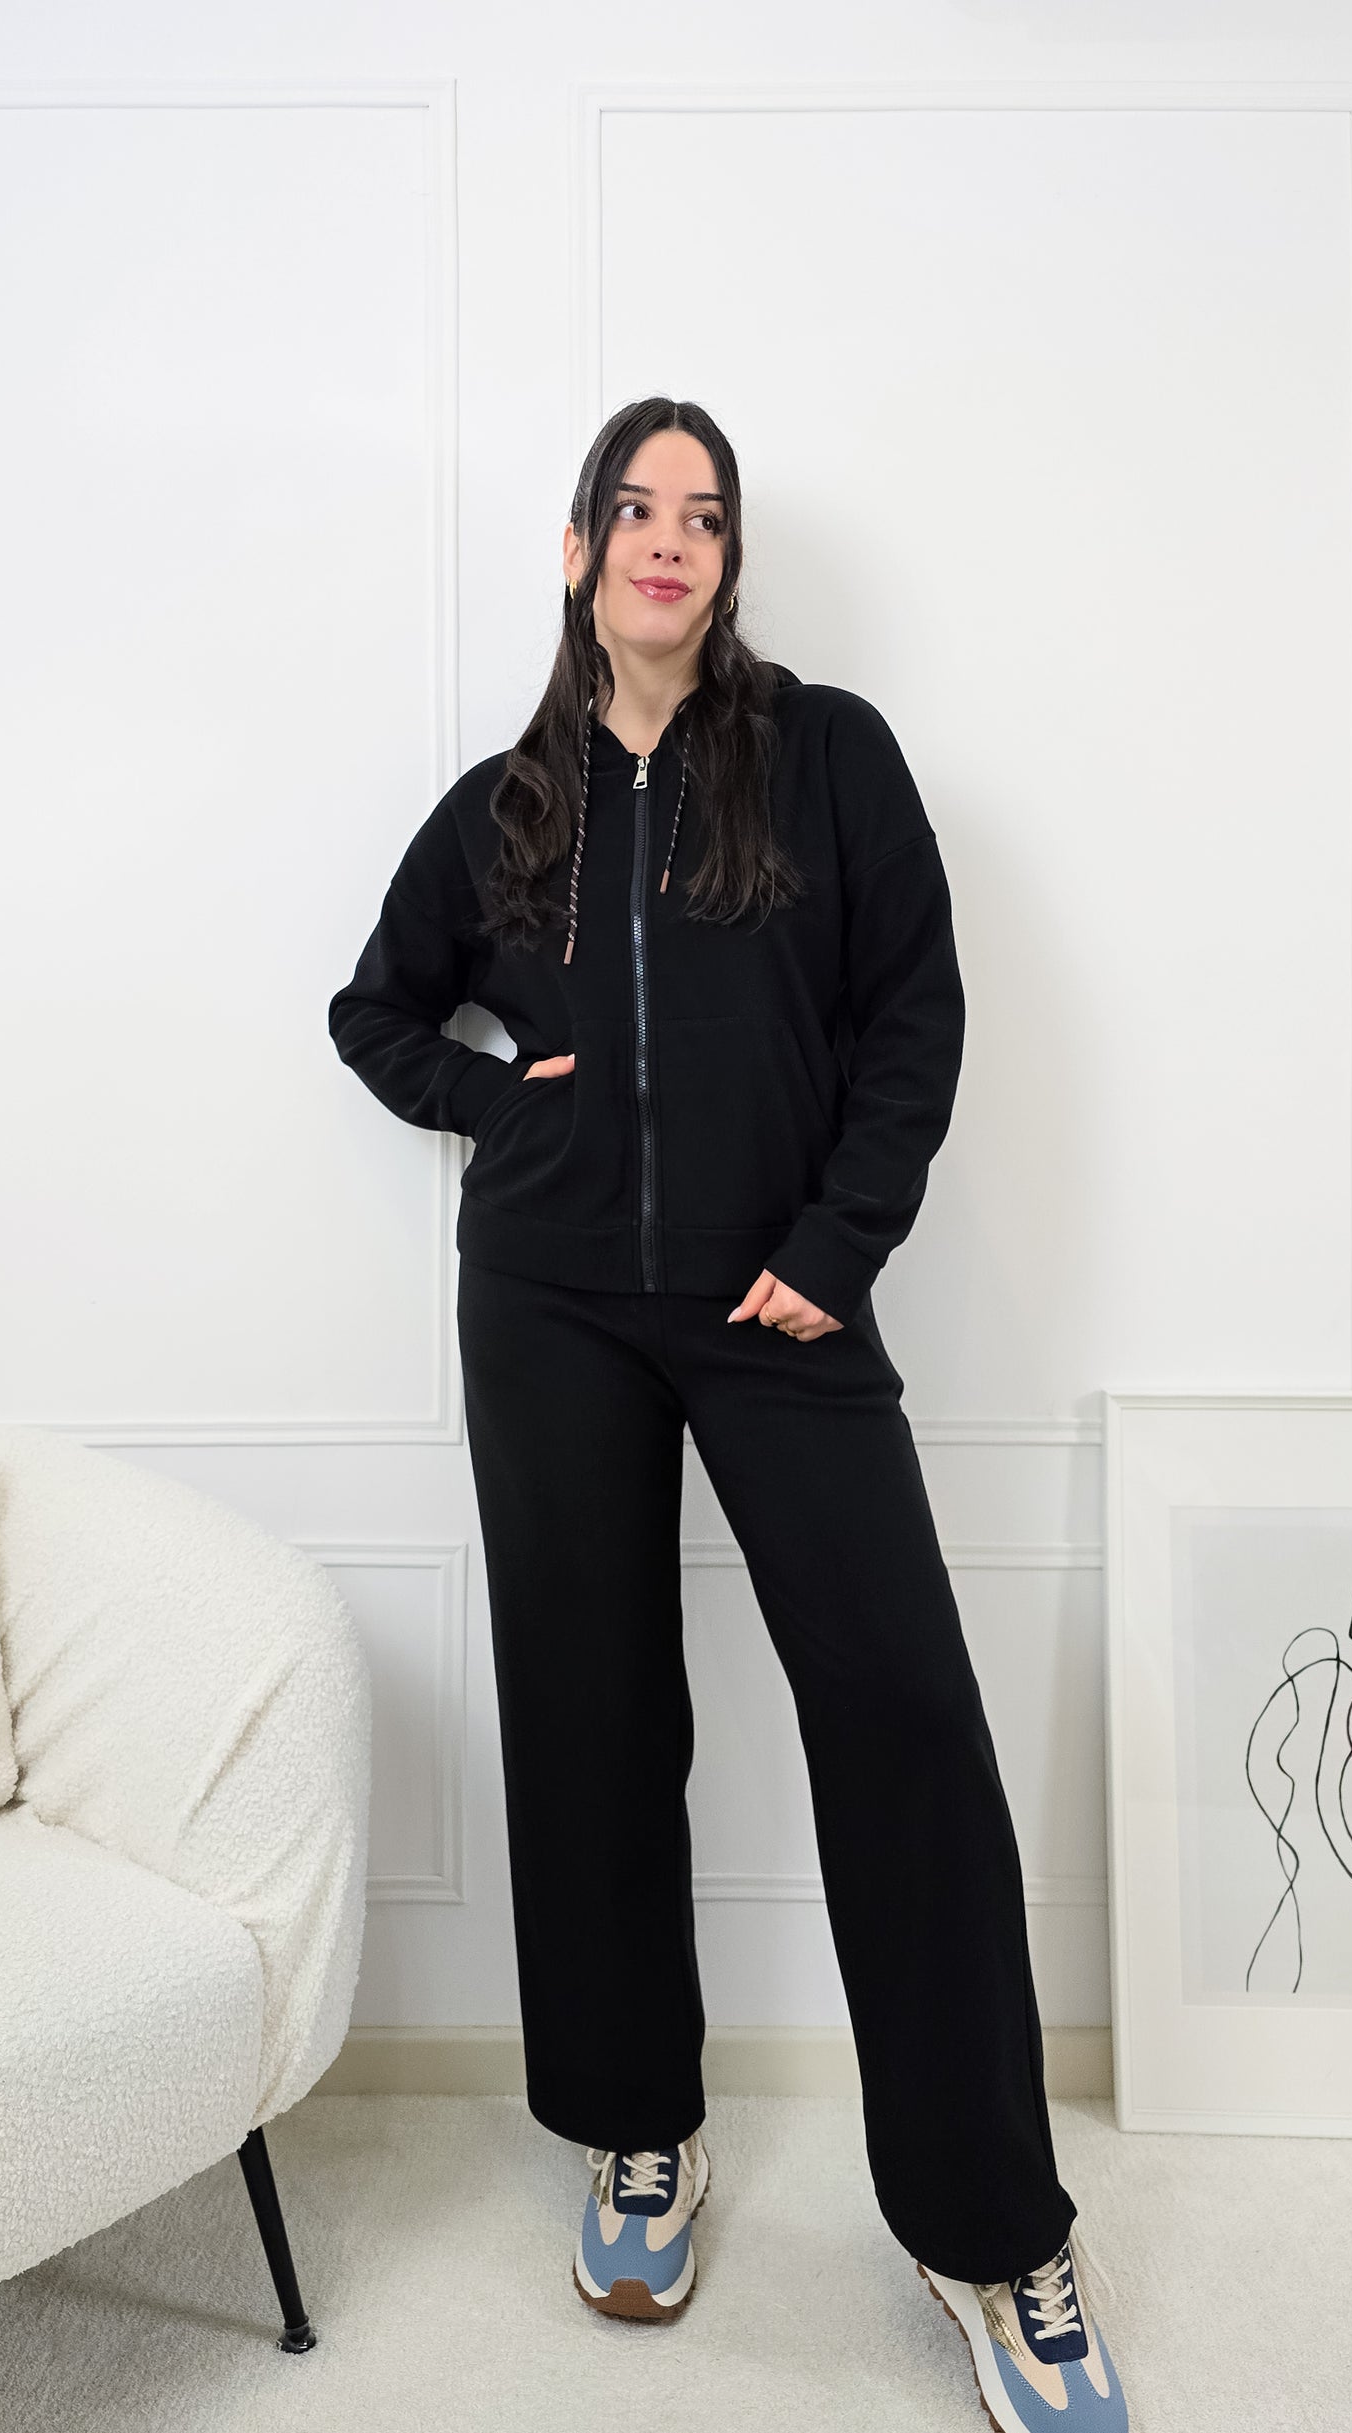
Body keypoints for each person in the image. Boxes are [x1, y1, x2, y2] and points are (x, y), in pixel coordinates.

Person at [328, 395, 1131, 2431]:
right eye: (633, 507)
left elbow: (912, 1015)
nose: (667, 538)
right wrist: (491, 1097)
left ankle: (991, 2231)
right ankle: (637, 2129)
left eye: (701, 512)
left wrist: (840, 1242)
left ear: (729, 557)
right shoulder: (505, 803)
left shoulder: (826, 756)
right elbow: (373, 1007)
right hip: (549, 1306)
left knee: (903, 1718)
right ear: (578, 550)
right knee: (591, 1717)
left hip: (782, 1300)